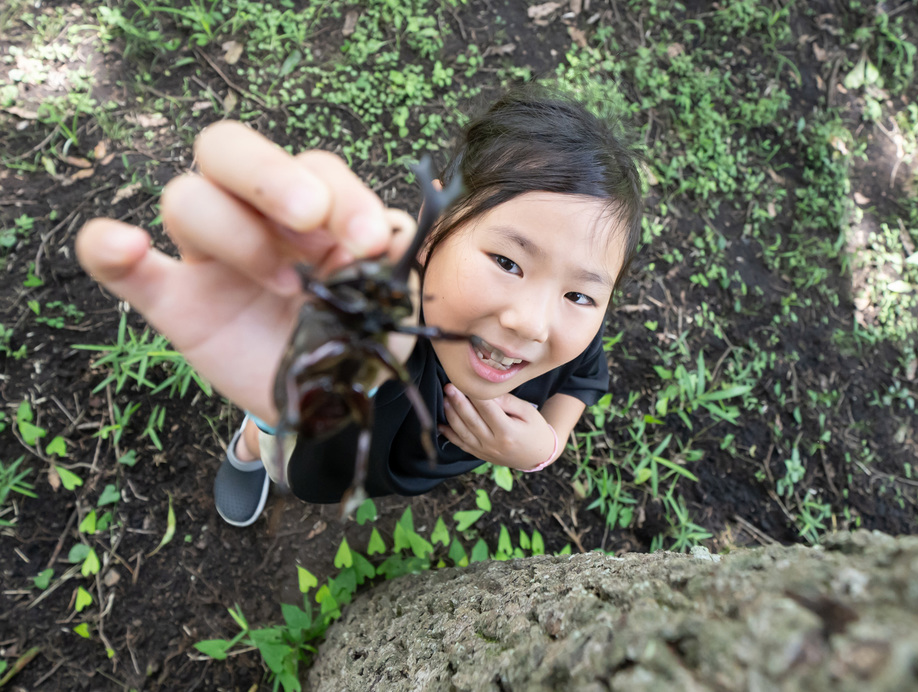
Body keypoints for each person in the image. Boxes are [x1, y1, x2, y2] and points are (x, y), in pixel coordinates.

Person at [75, 86, 643, 526]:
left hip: (409, 466)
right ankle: (249, 449)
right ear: (431, 225)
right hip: (339, 436)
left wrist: (543, 445)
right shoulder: (383, 335)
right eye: (508, 262)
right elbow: (329, 439)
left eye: (579, 294)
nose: (533, 322)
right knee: (277, 432)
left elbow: (585, 379)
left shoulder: (569, 337)